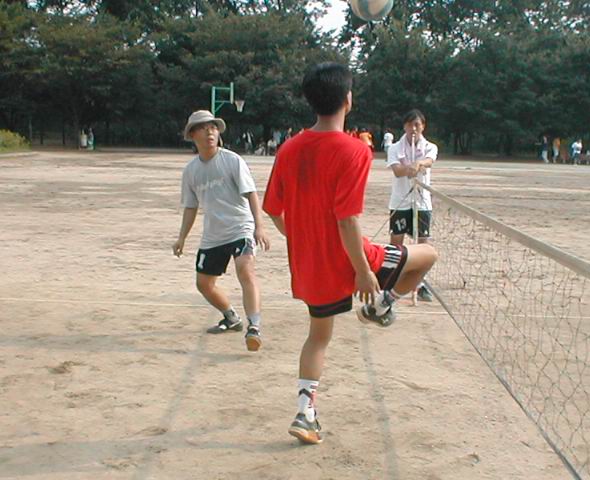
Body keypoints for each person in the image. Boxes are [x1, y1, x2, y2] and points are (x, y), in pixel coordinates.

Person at [262, 62, 437, 445]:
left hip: (309, 265)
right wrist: (362, 271)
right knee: (428, 255)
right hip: (351, 258)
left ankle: (305, 414)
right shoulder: (355, 150)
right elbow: (346, 220)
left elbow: (272, 209)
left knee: (318, 337)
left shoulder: (289, 148)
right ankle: (382, 305)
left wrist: (302, 237)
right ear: (348, 99)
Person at [172, 110, 270, 351]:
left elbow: (251, 194)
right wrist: (182, 237)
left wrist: (259, 226)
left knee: (245, 270)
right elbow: (191, 207)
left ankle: (254, 327)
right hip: (213, 234)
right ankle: (231, 317)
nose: (210, 131)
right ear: (192, 135)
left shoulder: (232, 160)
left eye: (213, 127)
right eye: (203, 127)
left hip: (240, 227)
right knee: (204, 284)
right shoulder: (191, 171)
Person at [386, 109, 438, 302]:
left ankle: (420, 283)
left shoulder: (430, 147)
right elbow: (397, 170)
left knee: (423, 242)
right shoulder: (394, 148)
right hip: (400, 200)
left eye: (417, 125)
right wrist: (410, 168)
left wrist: (419, 163)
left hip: (422, 201)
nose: (413, 129)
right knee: (396, 242)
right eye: (410, 124)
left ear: (423, 126)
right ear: (404, 126)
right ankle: (392, 278)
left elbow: (429, 161)